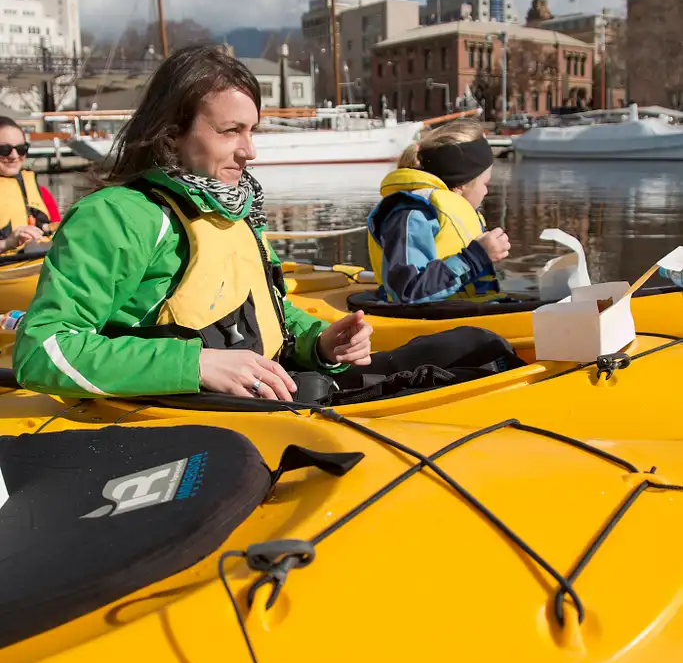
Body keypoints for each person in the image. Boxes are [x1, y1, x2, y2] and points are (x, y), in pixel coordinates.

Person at [14, 47, 522, 403]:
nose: (249, 150)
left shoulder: (235, 209)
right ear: (170, 134)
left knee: (479, 345)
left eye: (252, 130)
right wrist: (194, 365)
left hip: (276, 387)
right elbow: (42, 351)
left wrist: (323, 344)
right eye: (229, 131)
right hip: (206, 409)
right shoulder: (117, 217)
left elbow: (270, 318)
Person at [367, 121, 511, 304]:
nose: (486, 192)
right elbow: (407, 293)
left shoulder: (457, 211)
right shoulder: (414, 215)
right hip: (430, 325)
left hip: (467, 315)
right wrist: (476, 256)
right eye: (485, 184)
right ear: (462, 184)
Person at [0, 117, 60, 254]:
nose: (14, 156)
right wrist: (7, 243)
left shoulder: (42, 193)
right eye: (4, 149)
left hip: (38, 264)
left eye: (21, 149)